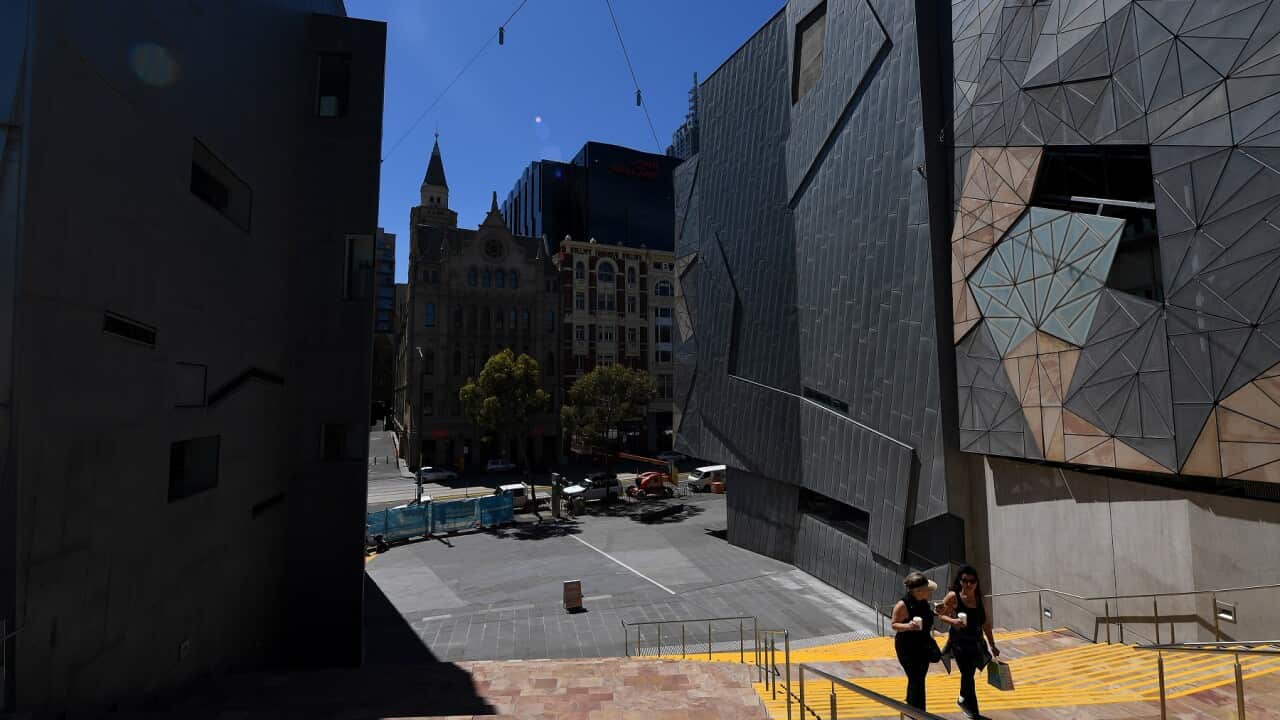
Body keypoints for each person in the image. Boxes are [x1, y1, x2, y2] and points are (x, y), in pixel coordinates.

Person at [939, 565, 999, 719]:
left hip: (976, 643)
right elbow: (941, 615)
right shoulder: (953, 596)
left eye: (972, 581)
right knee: (967, 675)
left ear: (976, 583)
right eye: (965, 580)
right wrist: (953, 621)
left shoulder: (979, 599)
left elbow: (985, 624)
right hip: (959, 643)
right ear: (960, 581)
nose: (968, 584)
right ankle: (974, 712)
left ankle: (961, 698)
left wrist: (992, 645)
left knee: (969, 674)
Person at [892, 572, 939, 710]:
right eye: (927, 589)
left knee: (918, 679)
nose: (929, 592)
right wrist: (908, 626)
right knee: (916, 678)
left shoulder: (922, 602)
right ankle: (917, 711)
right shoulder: (902, 605)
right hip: (907, 647)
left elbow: (927, 616)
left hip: (922, 644)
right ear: (917, 591)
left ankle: (914, 707)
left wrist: (936, 612)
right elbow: (894, 624)